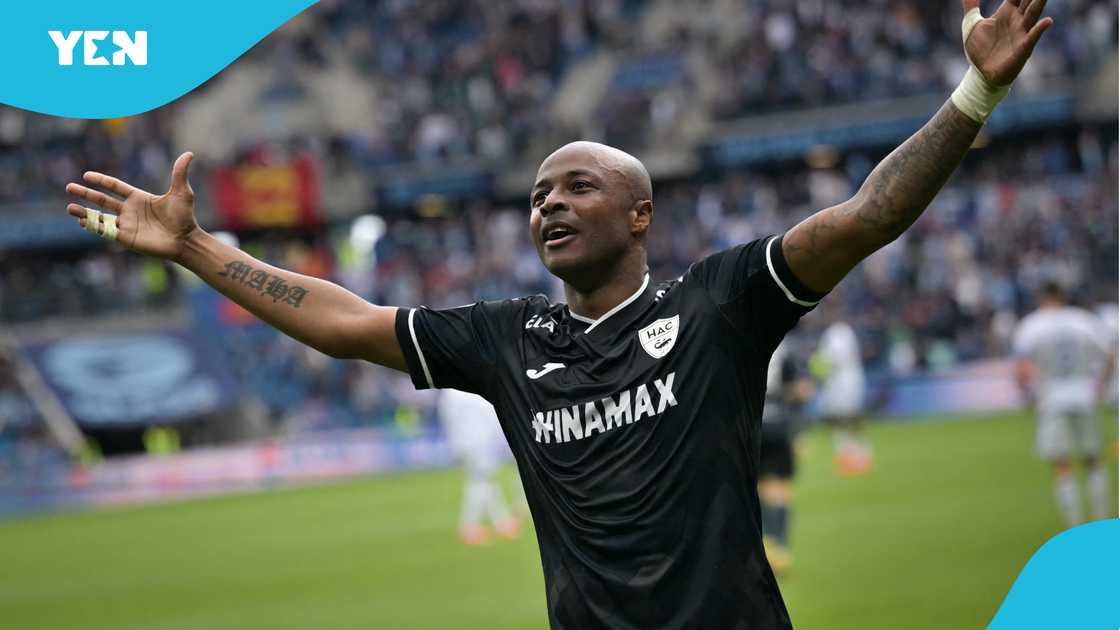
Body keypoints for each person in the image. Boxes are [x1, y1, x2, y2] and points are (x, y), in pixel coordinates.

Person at [64, 2, 1053, 626]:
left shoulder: (718, 304)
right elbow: (343, 320)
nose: (549, 205)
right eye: (538, 196)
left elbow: (868, 213)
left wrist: (975, 90)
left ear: (639, 213)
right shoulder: (509, 339)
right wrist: (196, 248)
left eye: (577, 187)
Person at [1012, 281, 1115, 528]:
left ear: (1042, 298)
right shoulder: (1083, 320)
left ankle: (1074, 525)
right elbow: (1110, 355)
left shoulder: (1032, 325)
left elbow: (1021, 368)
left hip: (1051, 397)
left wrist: (1028, 397)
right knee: (1093, 459)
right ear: (1063, 296)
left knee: (1061, 463)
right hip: (1083, 395)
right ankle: (1101, 522)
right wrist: (1101, 385)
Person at [436, 388, 522, 545]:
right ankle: (472, 526)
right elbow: (493, 418)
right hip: (480, 442)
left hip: (461, 443)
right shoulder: (475, 390)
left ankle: (500, 522)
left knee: (482, 481)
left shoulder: (449, 393)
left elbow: (447, 418)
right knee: (481, 481)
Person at [758, 341, 813, 575]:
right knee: (781, 486)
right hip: (779, 424)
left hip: (752, 424)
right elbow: (803, 389)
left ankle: (764, 547)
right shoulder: (785, 349)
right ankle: (779, 546)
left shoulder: (741, 340)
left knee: (759, 486)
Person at [812, 318, 871, 476]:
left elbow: (835, 359)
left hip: (844, 383)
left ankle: (858, 456)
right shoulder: (836, 332)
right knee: (838, 420)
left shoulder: (838, 332)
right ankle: (849, 457)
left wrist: (818, 362)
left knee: (846, 419)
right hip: (839, 382)